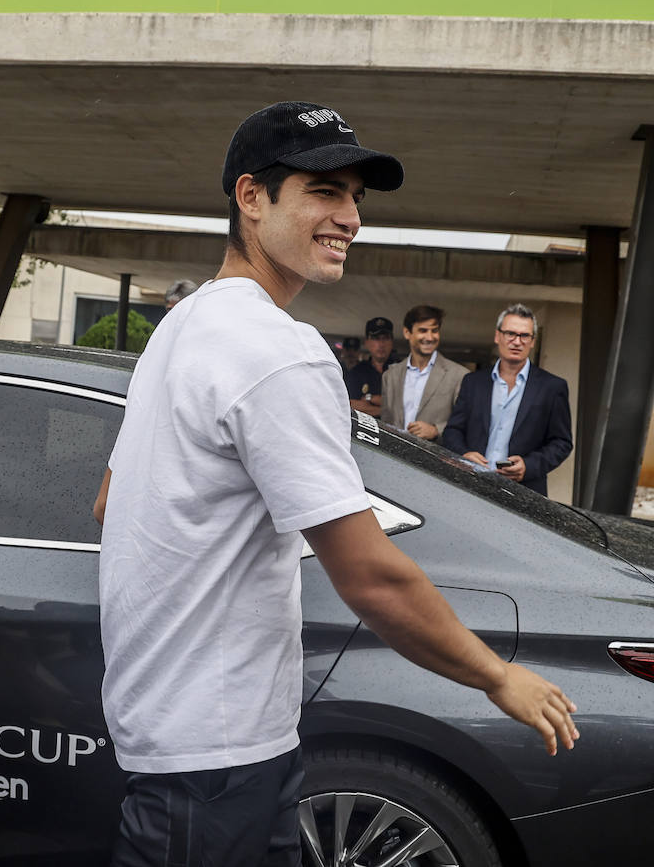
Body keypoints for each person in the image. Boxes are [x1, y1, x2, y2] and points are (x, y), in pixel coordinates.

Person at [92, 102, 577, 867]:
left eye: (355, 198)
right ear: (252, 198)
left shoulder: (181, 329)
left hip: (161, 732)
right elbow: (372, 578)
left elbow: (110, 504)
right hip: (221, 757)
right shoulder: (280, 351)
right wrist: (496, 675)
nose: (349, 217)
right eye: (324, 191)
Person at [443, 303, 573, 497]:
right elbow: (453, 431)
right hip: (471, 485)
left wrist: (528, 466)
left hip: (524, 493)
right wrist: (464, 455)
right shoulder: (473, 382)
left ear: (532, 341)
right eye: (510, 333)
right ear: (498, 336)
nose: (517, 341)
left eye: (524, 335)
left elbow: (562, 443)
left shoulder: (552, 387)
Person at [379, 304, 466, 440]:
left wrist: (436, 430)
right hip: (395, 457)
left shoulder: (459, 375)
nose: (430, 337)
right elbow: (386, 422)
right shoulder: (390, 376)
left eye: (434, 331)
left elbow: (466, 422)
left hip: (434, 458)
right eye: (423, 330)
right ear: (407, 333)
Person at [343, 316, 394, 417]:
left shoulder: (402, 370)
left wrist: (368, 398)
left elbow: (406, 405)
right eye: (376, 338)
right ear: (367, 343)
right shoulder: (357, 372)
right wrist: (386, 410)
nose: (381, 344)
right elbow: (351, 405)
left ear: (392, 342)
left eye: (385, 338)